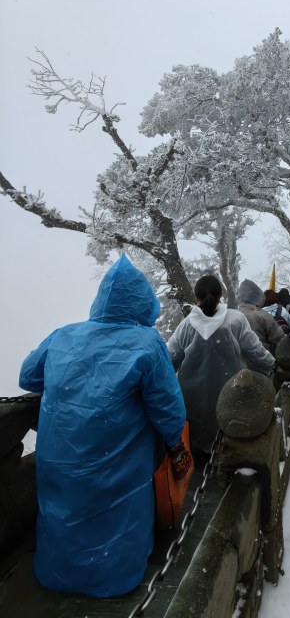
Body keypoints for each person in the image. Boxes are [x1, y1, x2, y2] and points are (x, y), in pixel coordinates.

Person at [19, 255, 189, 598]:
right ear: (144, 304)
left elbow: (28, 376)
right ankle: (111, 575)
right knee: (119, 512)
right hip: (117, 469)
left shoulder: (63, 335)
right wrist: (178, 449)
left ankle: (61, 571)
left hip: (60, 467)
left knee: (65, 515)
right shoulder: (148, 343)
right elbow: (170, 411)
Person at [168, 275, 275, 457]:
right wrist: (272, 366)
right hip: (231, 397)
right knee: (228, 440)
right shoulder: (235, 320)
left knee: (198, 443)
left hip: (193, 402)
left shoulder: (186, 326)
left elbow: (168, 361)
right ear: (220, 297)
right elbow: (256, 353)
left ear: (196, 299)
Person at [237, 279, 285, 352]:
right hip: (263, 359)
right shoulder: (262, 316)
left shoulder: (232, 315)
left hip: (238, 361)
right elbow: (280, 339)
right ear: (257, 296)